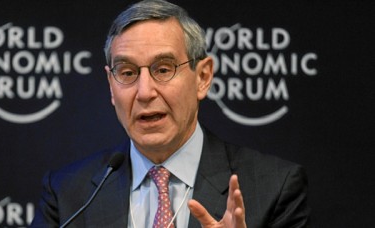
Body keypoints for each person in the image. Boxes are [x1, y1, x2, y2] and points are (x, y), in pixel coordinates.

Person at [30, 0, 310, 227]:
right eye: (127, 73)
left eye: (163, 69)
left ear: (202, 77)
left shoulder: (275, 188)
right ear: (111, 86)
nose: (144, 92)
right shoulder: (68, 194)